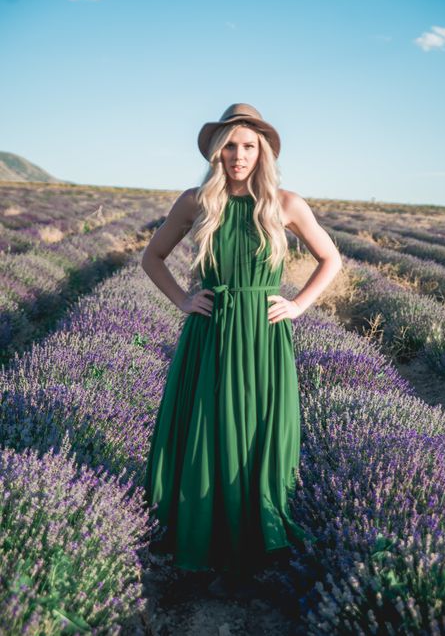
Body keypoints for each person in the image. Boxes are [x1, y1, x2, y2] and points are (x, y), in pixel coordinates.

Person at [141, 103, 342, 595]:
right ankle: (205, 544)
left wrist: (298, 306)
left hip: (262, 334)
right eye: (229, 145)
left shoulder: (285, 203)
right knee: (208, 430)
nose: (238, 155)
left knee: (260, 434)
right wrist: (184, 300)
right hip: (210, 332)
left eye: (248, 146)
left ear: (263, 151)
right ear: (216, 151)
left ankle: (255, 547)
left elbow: (330, 258)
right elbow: (152, 257)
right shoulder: (196, 201)